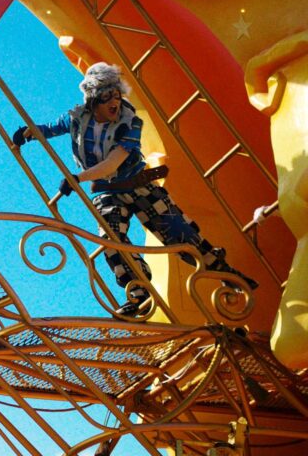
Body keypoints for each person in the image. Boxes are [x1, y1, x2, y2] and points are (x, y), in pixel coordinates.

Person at [13, 62, 258, 316]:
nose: (114, 102)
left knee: (178, 233)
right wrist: (28, 133)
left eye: (117, 95)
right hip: (107, 192)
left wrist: (78, 178)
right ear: (94, 100)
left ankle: (224, 272)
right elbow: (50, 129)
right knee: (110, 237)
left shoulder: (130, 122)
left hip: (138, 185)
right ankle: (139, 291)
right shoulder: (77, 118)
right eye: (107, 96)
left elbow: (113, 163)